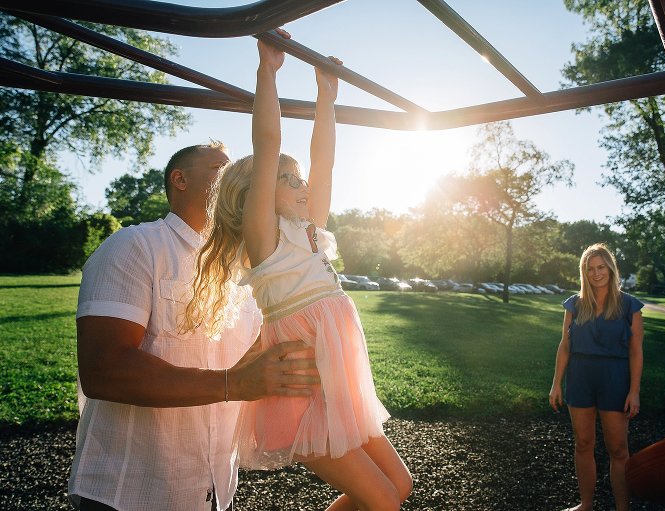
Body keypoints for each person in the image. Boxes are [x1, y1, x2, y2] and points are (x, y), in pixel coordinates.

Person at [184, 31, 413, 511]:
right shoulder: (265, 239)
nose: (301, 184)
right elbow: (268, 146)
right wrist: (268, 72)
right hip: (304, 393)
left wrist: (326, 96)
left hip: (337, 388)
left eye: (298, 179)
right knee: (384, 503)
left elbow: (324, 160)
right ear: (258, 196)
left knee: (400, 487)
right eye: (286, 181)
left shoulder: (309, 229)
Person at [69, 140, 321, 511]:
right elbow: (104, 370)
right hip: (130, 493)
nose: (239, 178)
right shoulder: (135, 246)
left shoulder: (246, 271)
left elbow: (253, 366)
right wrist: (232, 384)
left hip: (216, 493)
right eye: (222, 168)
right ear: (180, 179)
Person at [549, 243, 644, 511]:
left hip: (614, 379)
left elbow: (636, 352)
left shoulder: (629, 306)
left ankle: (622, 508)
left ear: (611, 269)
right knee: (583, 444)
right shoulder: (575, 304)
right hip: (580, 378)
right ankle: (586, 505)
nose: (596, 273)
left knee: (618, 449)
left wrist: (634, 391)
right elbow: (564, 345)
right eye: (590, 269)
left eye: (601, 267)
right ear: (584, 272)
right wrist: (556, 383)